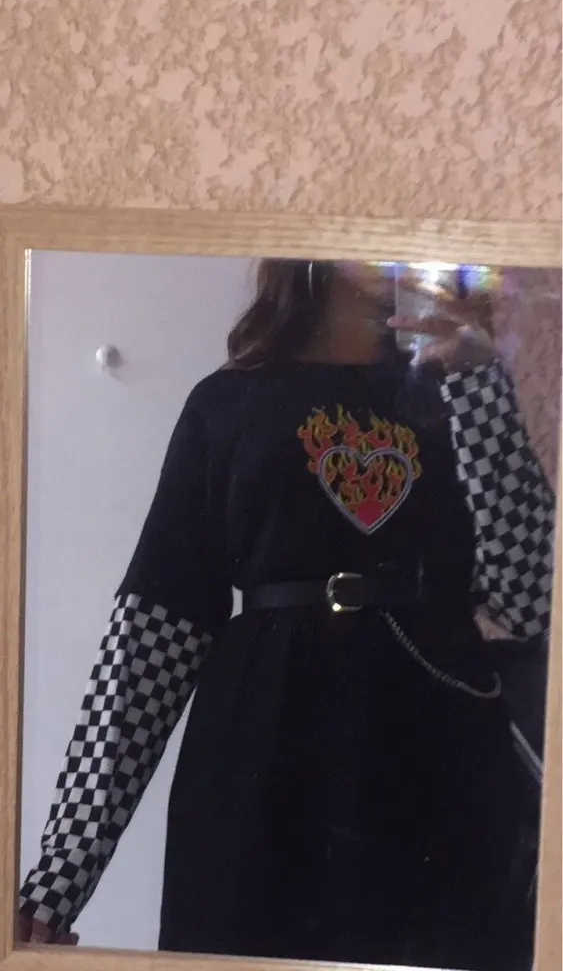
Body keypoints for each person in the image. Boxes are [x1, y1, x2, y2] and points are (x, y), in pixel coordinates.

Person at [19, 260, 554, 971]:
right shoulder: (229, 401)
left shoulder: (459, 385)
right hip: (262, 755)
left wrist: (481, 388)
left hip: (439, 750)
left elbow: (529, 599)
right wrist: (58, 880)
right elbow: (152, 635)